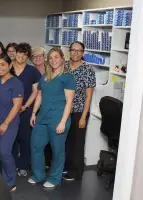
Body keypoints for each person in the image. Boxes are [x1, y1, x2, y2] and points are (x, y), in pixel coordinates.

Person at [28, 47, 76, 188]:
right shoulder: (45, 76)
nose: (53, 60)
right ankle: (38, 175)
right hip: (42, 118)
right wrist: (33, 113)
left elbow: (69, 102)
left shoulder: (67, 77)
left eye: (56, 57)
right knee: (36, 146)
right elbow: (40, 95)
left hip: (58, 119)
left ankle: (55, 178)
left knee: (57, 150)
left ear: (62, 58)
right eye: (51, 58)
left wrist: (62, 122)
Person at [0, 53, 24, 192]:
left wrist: (5, 123)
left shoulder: (16, 83)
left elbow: (17, 106)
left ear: (10, 65)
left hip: (10, 123)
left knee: (5, 152)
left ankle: (10, 182)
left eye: (3, 64)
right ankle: (4, 177)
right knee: (1, 151)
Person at [63, 41, 96, 181]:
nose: (76, 53)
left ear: (83, 53)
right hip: (64, 110)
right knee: (65, 140)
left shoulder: (88, 69)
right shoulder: (64, 66)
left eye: (79, 50)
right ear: (69, 51)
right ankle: (66, 166)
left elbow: (89, 96)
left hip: (79, 111)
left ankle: (76, 172)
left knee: (77, 142)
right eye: (73, 50)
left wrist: (83, 116)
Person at [12, 43, 41, 177]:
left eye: (25, 54)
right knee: (10, 139)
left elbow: (35, 92)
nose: (21, 56)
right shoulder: (8, 67)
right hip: (9, 110)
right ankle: (11, 164)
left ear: (28, 57)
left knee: (25, 139)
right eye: (19, 52)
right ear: (15, 53)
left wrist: (25, 107)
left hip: (25, 110)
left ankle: (23, 165)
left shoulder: (32, 71)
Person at [31, 46, 52, 169]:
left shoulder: (50, 70)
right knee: (36, 137)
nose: (38, 58)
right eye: (35, 56)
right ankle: (37, 162)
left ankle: (47, 162)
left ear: (44, 57)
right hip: (34, 106)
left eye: (40, 56)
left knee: (48, 137)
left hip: (48, 106)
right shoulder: (30, 70)